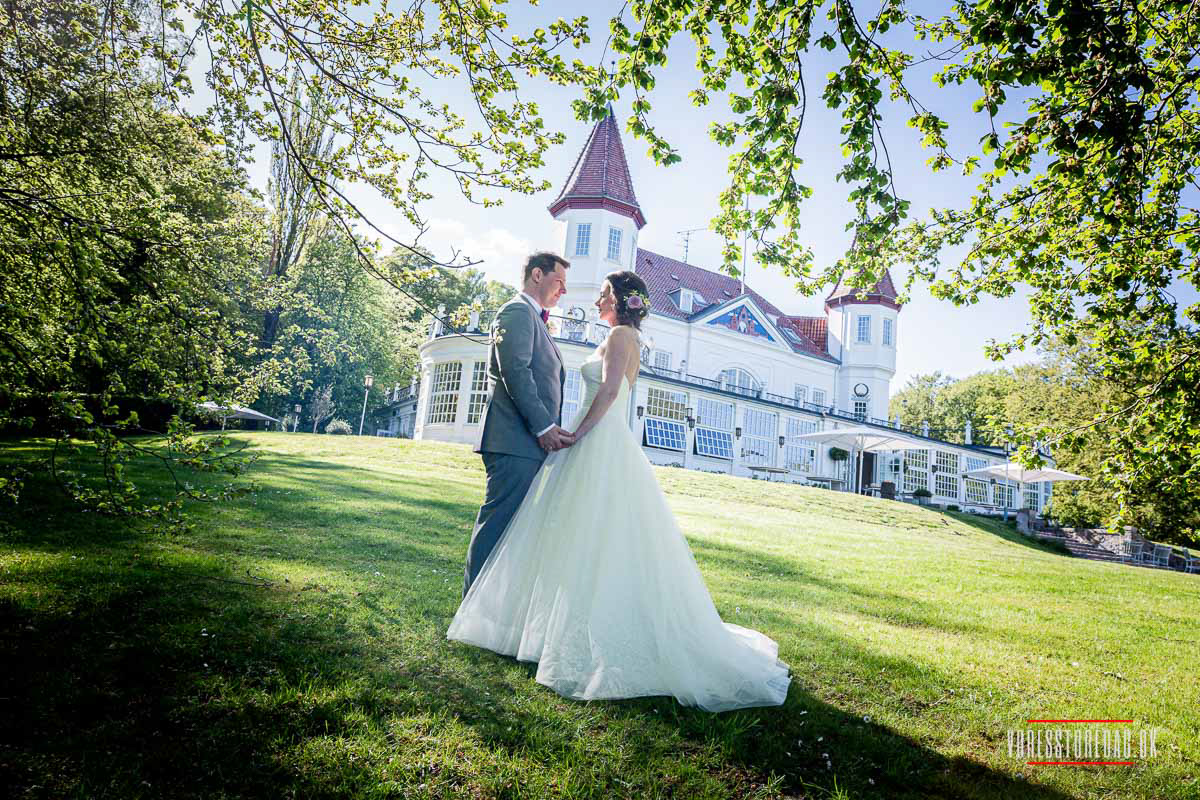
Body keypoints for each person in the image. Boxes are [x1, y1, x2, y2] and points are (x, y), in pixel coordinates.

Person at [448, 270, 792, 712]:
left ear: (620, 300)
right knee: (574, 533)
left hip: (599, 438)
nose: (597, 302)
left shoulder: (620, 337)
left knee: (589, 532)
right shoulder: (624, 337)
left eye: (603, 295)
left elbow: (610, 392)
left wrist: (579, 432)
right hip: (598, 436)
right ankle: (542, 625)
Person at [463, 252, 574, 598]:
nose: (563, 291)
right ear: (537, 275)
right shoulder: (517, 312)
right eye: (559, 282)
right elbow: (516, 372)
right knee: (496, 528)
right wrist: (544, 427)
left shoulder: (534, 319)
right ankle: (471, 608)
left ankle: (491, 607)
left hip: (525, 445)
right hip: (514, 441)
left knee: (511, 533)